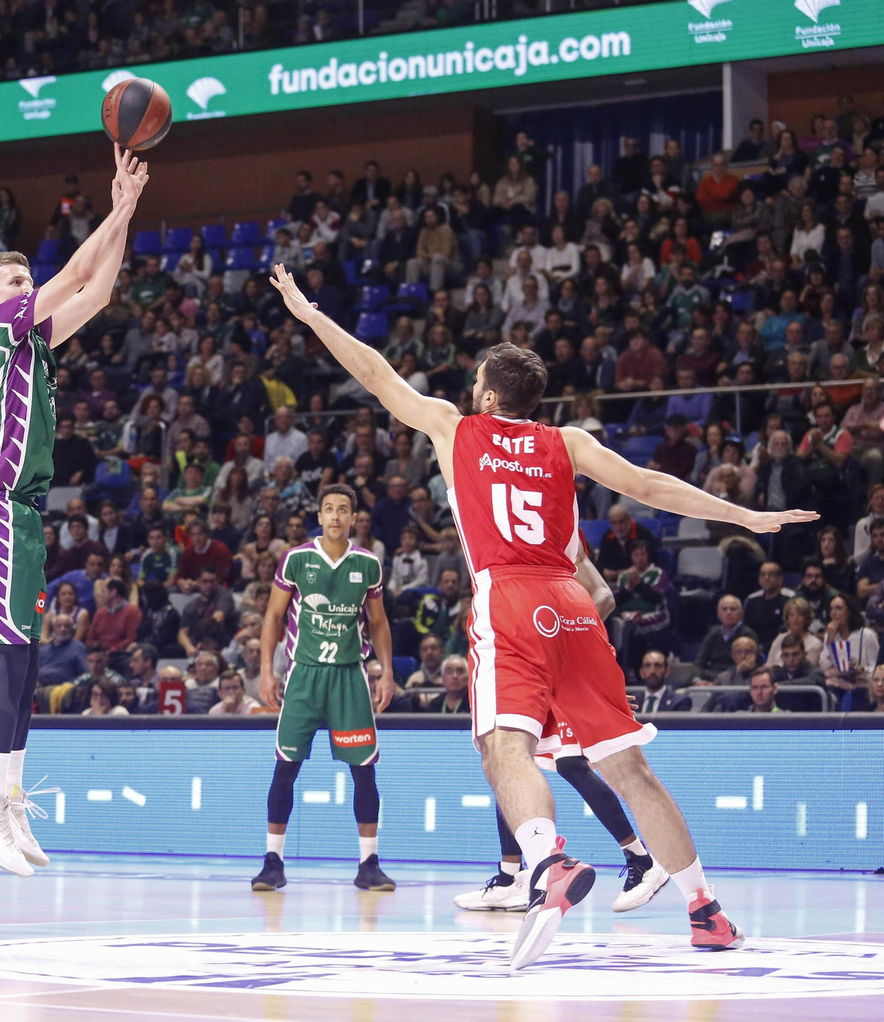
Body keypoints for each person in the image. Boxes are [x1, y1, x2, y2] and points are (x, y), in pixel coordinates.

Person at [267, 264, 813, 967]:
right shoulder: (570, 442)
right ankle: (705, 909)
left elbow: (375, 374)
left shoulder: (455, 428)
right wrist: (743, 514)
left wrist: (311, 314)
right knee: (630, 769)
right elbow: (649, 485)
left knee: (501, 746)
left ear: (490, 394)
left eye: (476, 384)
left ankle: (546, 861)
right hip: (575, 604)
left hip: (510, 597)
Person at [0, 145, 148, 879]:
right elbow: (75, 276)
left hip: (24, 513)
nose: (28, 285)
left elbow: (94, 294)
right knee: (8, 653)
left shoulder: (34, 340)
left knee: (27, 659)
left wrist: (127, 215)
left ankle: (7, 798)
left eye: (28, 278)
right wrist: (118, 206)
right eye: (15, 279)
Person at [456, 552, 670, 914]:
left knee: (571, 764)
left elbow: (603, 596)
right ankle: (511, 877)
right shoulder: (507, 540)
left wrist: (574, 654)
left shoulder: (556, 533)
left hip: (559, 659)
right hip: (533, 661)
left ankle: (642, 859)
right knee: (510, 759)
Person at [251, 485, 398, 894]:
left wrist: (386, 672)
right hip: (304, 675)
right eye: (329, 509)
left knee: (364, 771)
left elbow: (380, 622)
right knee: (285, 769)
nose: (335, 516)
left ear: (354, 519)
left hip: (349, 677)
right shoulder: (297, 559)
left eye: (343, 510)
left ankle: (369, 863)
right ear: (320, 516)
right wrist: (267, 671)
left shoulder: (368, 564)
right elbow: (273, 616)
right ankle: (272, 862)